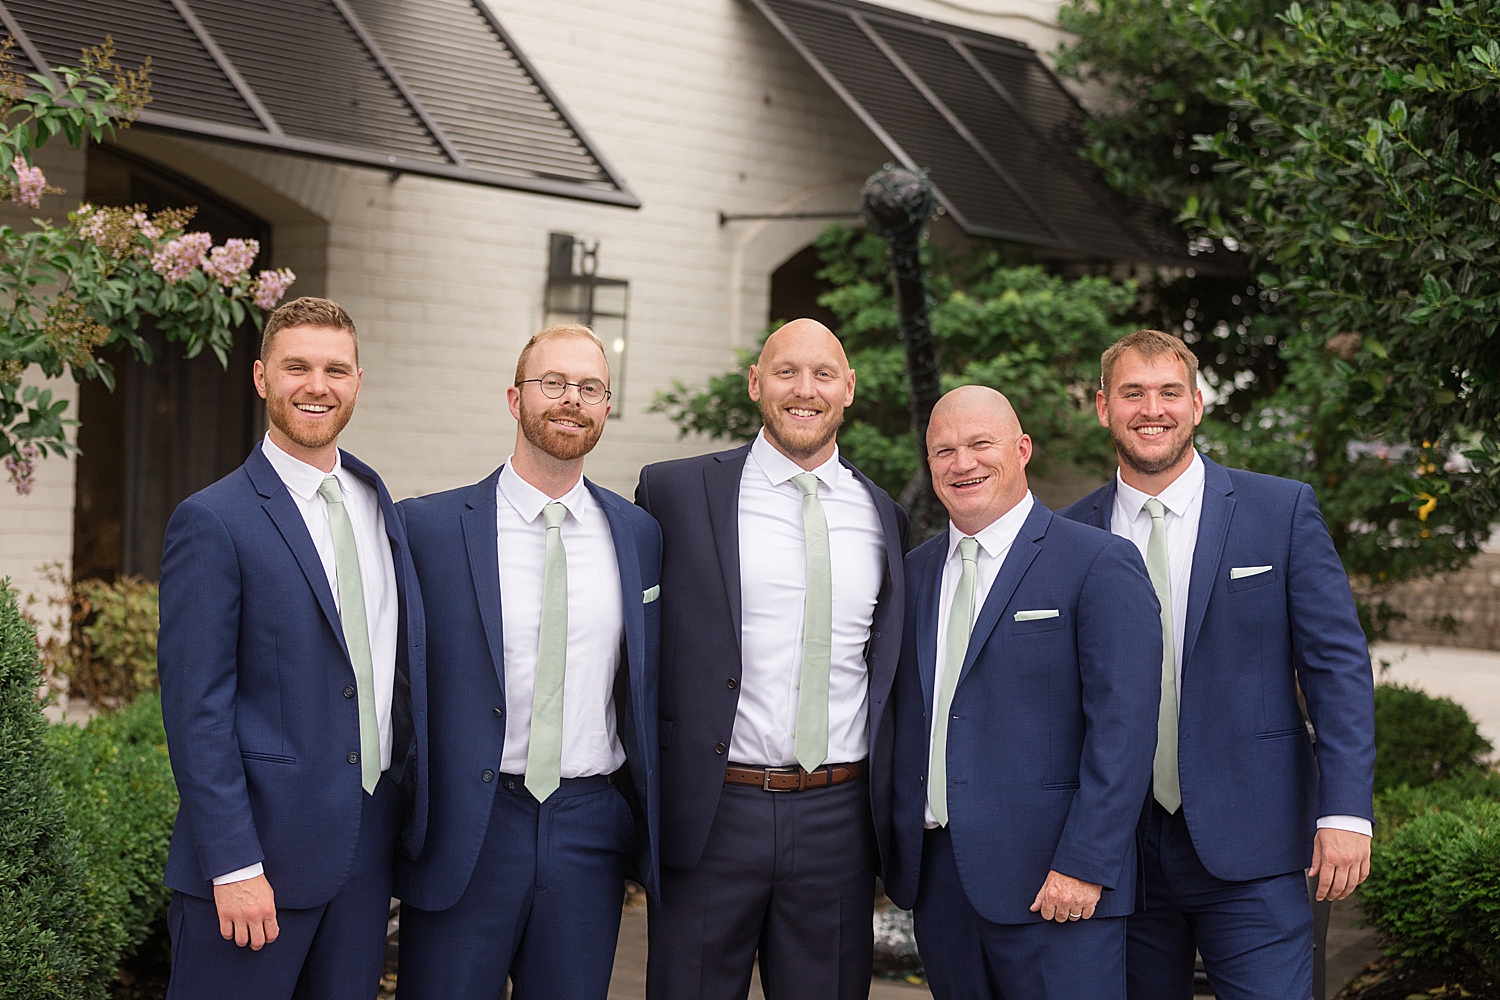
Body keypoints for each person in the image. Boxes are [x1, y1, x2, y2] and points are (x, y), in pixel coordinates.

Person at [1059, 329, 1376, 1000]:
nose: (1153, 409)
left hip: (1256, 842)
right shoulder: (1067, 536)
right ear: (1102, 407)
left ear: (1197, 404)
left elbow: (1337, 667)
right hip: (1119, 857)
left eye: (1170, 392)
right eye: (1132, 393)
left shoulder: (1280, 511)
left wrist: (1345, 812)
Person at [158, 297, 427, 1000]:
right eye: (296, 367)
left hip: (366, 857)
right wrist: (234, 864)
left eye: (336, 369)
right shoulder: (212, 520)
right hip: (255, 867)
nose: (317, 385)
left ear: (359, 381)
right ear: (260, 377)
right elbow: (196, 710)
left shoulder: (378, 502)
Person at [637, 319, 907, 1000]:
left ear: (849, 388)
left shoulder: (885, 516)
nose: (804, 390)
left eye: (823, 375)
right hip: (711, 811)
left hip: (839, 819)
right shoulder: (675, 493)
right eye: (786, 372)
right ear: (757, 384)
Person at [393, 324, 661, 1000]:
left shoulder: (639, 534)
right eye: (553, 383)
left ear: (605, 407)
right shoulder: (426, 529)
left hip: (588, 828)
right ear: (515, 399)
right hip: (467, 828)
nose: (571, 399)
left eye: (590, 388)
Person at [885, 386, 1161, 1000]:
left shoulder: (1098, 562)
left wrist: (1085, 865)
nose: (964, 463)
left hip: (1058, 885)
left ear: (1023, 449)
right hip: (941, 885)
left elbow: (1126, 729)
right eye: (944, 451)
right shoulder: (914, 574)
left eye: (981, 444)